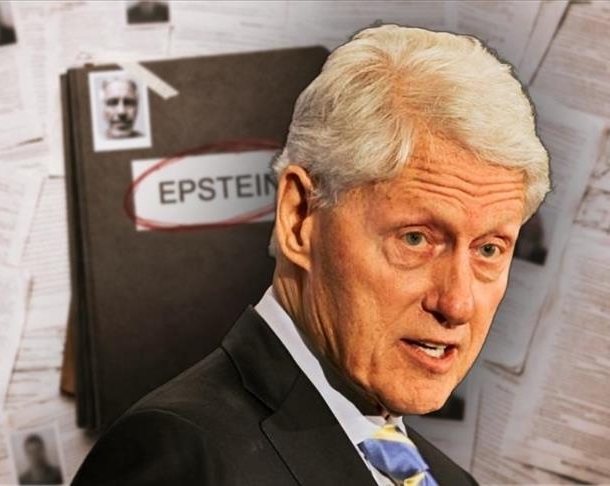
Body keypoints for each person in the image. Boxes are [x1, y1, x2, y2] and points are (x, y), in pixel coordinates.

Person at [74, 24, 550, 485]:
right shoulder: (182, 455)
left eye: (489, 249)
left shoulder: (450, 481)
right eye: (415, 239)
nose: (457, 303)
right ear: (299, 216)